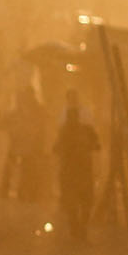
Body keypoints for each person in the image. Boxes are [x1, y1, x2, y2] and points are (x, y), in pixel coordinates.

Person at [54, 93, 100, 239]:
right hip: (82, 171)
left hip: (71, 171)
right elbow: (97, 146)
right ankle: (81, 227)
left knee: (72, 200)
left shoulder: (65, 131)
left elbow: (55, 148)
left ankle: (76, 228)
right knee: (85, 200)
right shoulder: (86, 129)